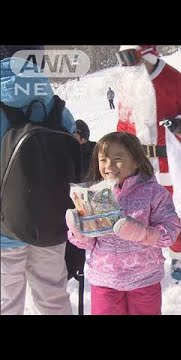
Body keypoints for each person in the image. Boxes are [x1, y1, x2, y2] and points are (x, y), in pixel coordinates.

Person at [116, 45, 181, 282]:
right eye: (122, 59)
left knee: (170, 209)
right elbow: (122, 123)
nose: (127, 65)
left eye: (130, 57)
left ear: (147, 54)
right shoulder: (128, 83)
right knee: (137, 208)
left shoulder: (174, 80)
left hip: (167, 158)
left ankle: (177, 254)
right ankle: (145, 255)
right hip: (135, 160)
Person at [65, 132, 181, 315]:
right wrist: (79, 231)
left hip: (145, 278)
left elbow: (171, 230)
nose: (109, 165)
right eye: (103, 159)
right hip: (105, 279)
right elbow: (89, 243)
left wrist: (142, 233)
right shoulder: (95, 195)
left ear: (136, 160)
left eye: (117, 158)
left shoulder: (154, 193)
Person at [1, 49, 79, 315]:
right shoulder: (53, 103)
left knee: (6, 302)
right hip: (51, 221)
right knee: (53, 296)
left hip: (4, 227)